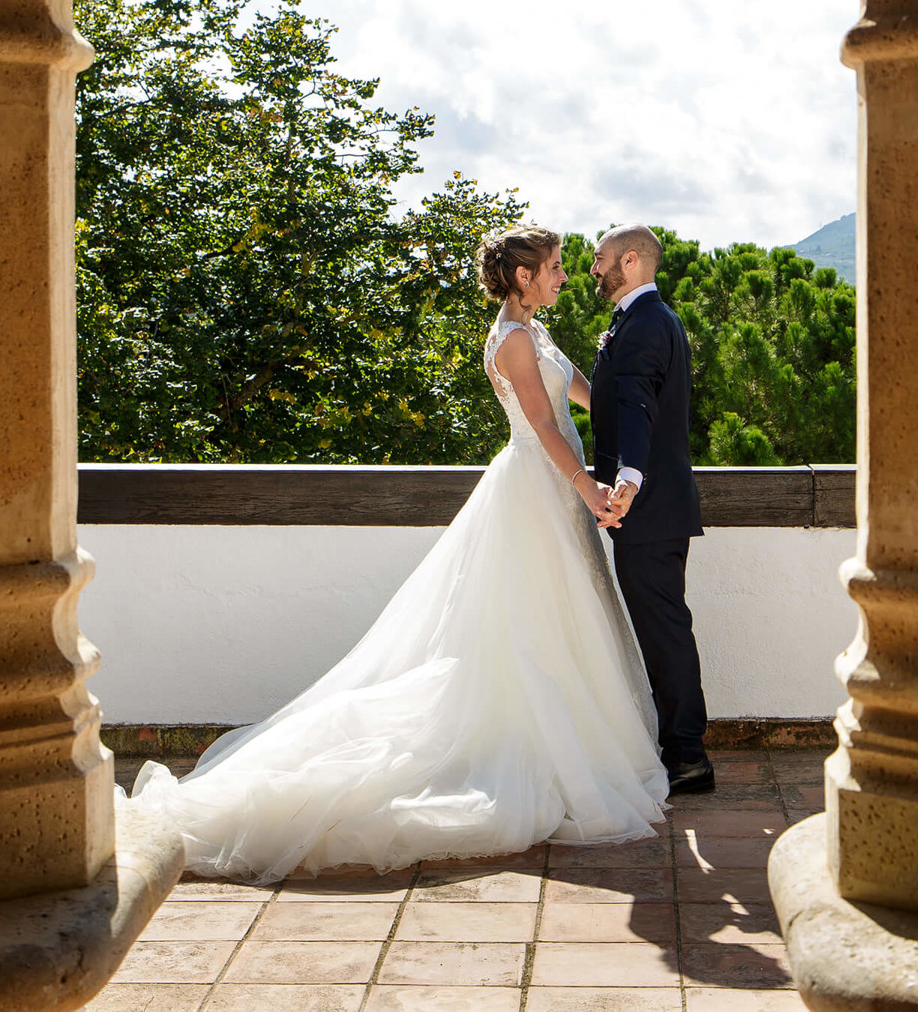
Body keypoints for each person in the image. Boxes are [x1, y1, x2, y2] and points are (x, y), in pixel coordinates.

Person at [126, 225, 668, 883]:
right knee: (531, 630)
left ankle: (569, 750)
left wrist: (642, 414)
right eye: (553, 267)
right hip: (538, 488)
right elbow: (545, 424)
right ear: (524, 277)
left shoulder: (536, 330)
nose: (562, 276)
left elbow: (584, 390)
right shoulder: (516, 339)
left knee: (562, 625)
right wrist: (586, 486)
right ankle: (541, 755)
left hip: (552, 490)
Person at [588, 224, 713, 794]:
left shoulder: (644, 324)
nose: (594, 268)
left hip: (651, 509)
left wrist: (627, 481)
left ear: (631, 261)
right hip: (657, 508)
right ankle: (681, 751)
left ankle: (687, 757)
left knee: (664, 632)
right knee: (664, 628)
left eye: (601, 259)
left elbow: (638, 403)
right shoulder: (643, 318)